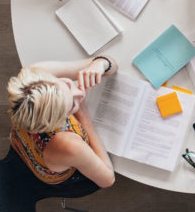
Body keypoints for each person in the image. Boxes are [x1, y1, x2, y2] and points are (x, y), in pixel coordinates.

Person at [7, 56, 117, 189]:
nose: (79, 93)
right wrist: (83, 115)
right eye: (72, 105)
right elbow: (108, 179)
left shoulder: (35, 74)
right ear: (57, 122)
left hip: (22, 140)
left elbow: (110, 63)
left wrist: (100, 64)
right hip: (56, 173)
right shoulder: (69, 145)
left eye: (67, 84)